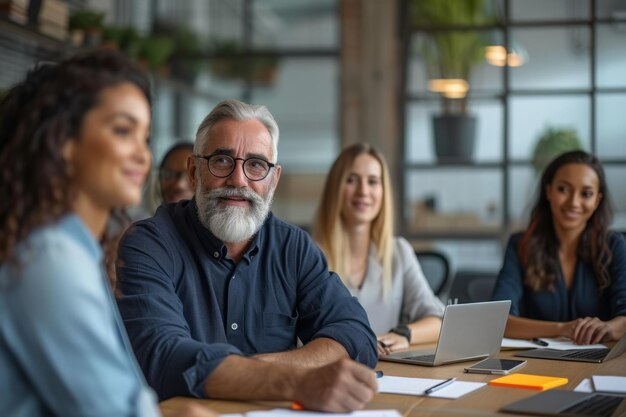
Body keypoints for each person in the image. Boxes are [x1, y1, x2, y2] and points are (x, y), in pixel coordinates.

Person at [116, 99, 378, 412]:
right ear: (194, 171)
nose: (239, 180)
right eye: (222, 161)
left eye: (256, 165)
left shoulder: (293, 246)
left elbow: (354, 334)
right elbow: (162, 356)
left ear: (273, 179)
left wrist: (250, 371)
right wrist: (293, 381)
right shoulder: (149, 244)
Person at [0, 50, 215, 417]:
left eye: (145, 136)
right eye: (122, 130)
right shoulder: (50, 257)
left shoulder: (67, 247)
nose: (142, 154)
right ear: (64, 141)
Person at [312, 143, 444, 355]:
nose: (363, 191)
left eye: (373, 181)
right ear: (334, 189)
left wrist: (404, 333)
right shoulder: (308, 255)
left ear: (383, 191)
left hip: (390, 373)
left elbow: (438, 321)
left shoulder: (398, 252)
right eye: (351, 180)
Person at [492, 150, 626, 345]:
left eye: (586, 194)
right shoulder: (520, 245)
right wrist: (562, 328)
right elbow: (498, 320)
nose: (573, 202)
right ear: (549, 191)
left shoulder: (614, 245)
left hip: (600, 364)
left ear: (597, 200)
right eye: (563, 189)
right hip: (537, 364)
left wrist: (610, 328)